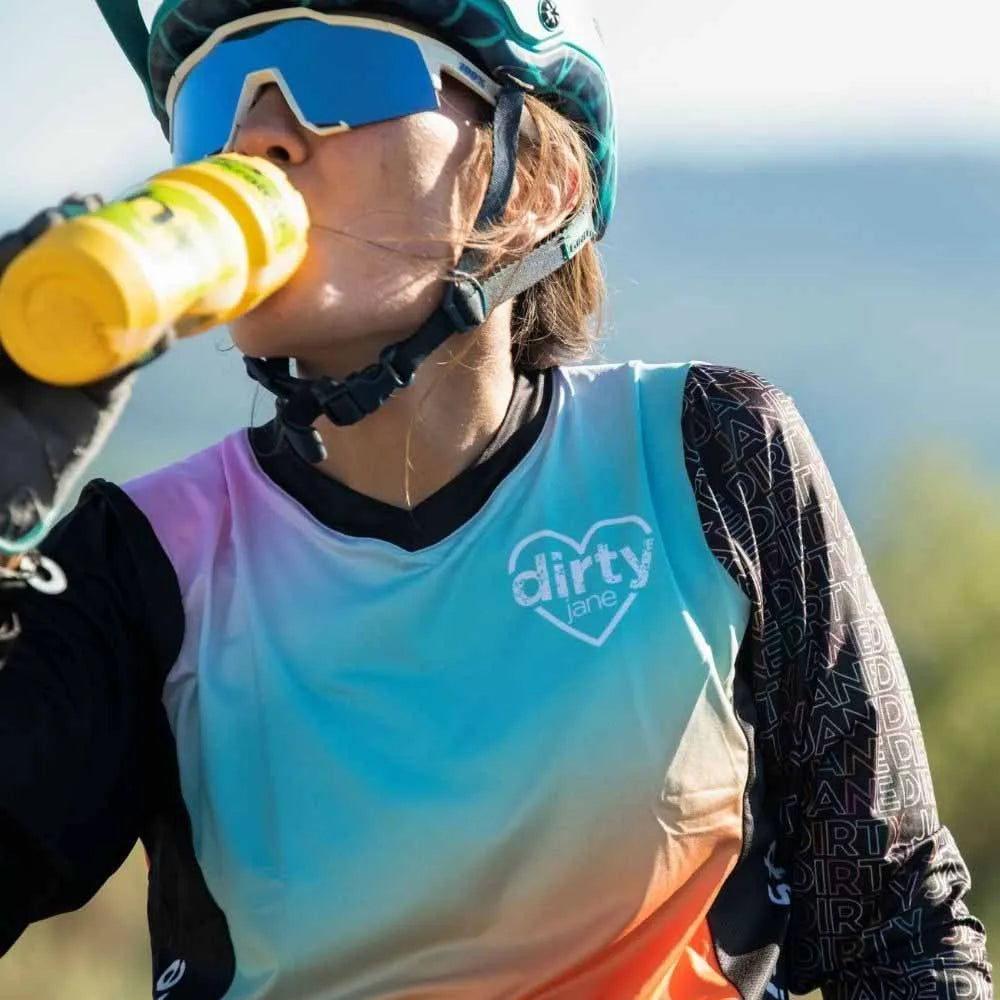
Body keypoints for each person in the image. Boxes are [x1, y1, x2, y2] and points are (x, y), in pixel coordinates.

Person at [0, 0, 992, 997]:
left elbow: (901, 933)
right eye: (213, 101)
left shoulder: (712, 456)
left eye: (338, 71)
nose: (256, 136)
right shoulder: (143, 558)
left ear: (533, 186)